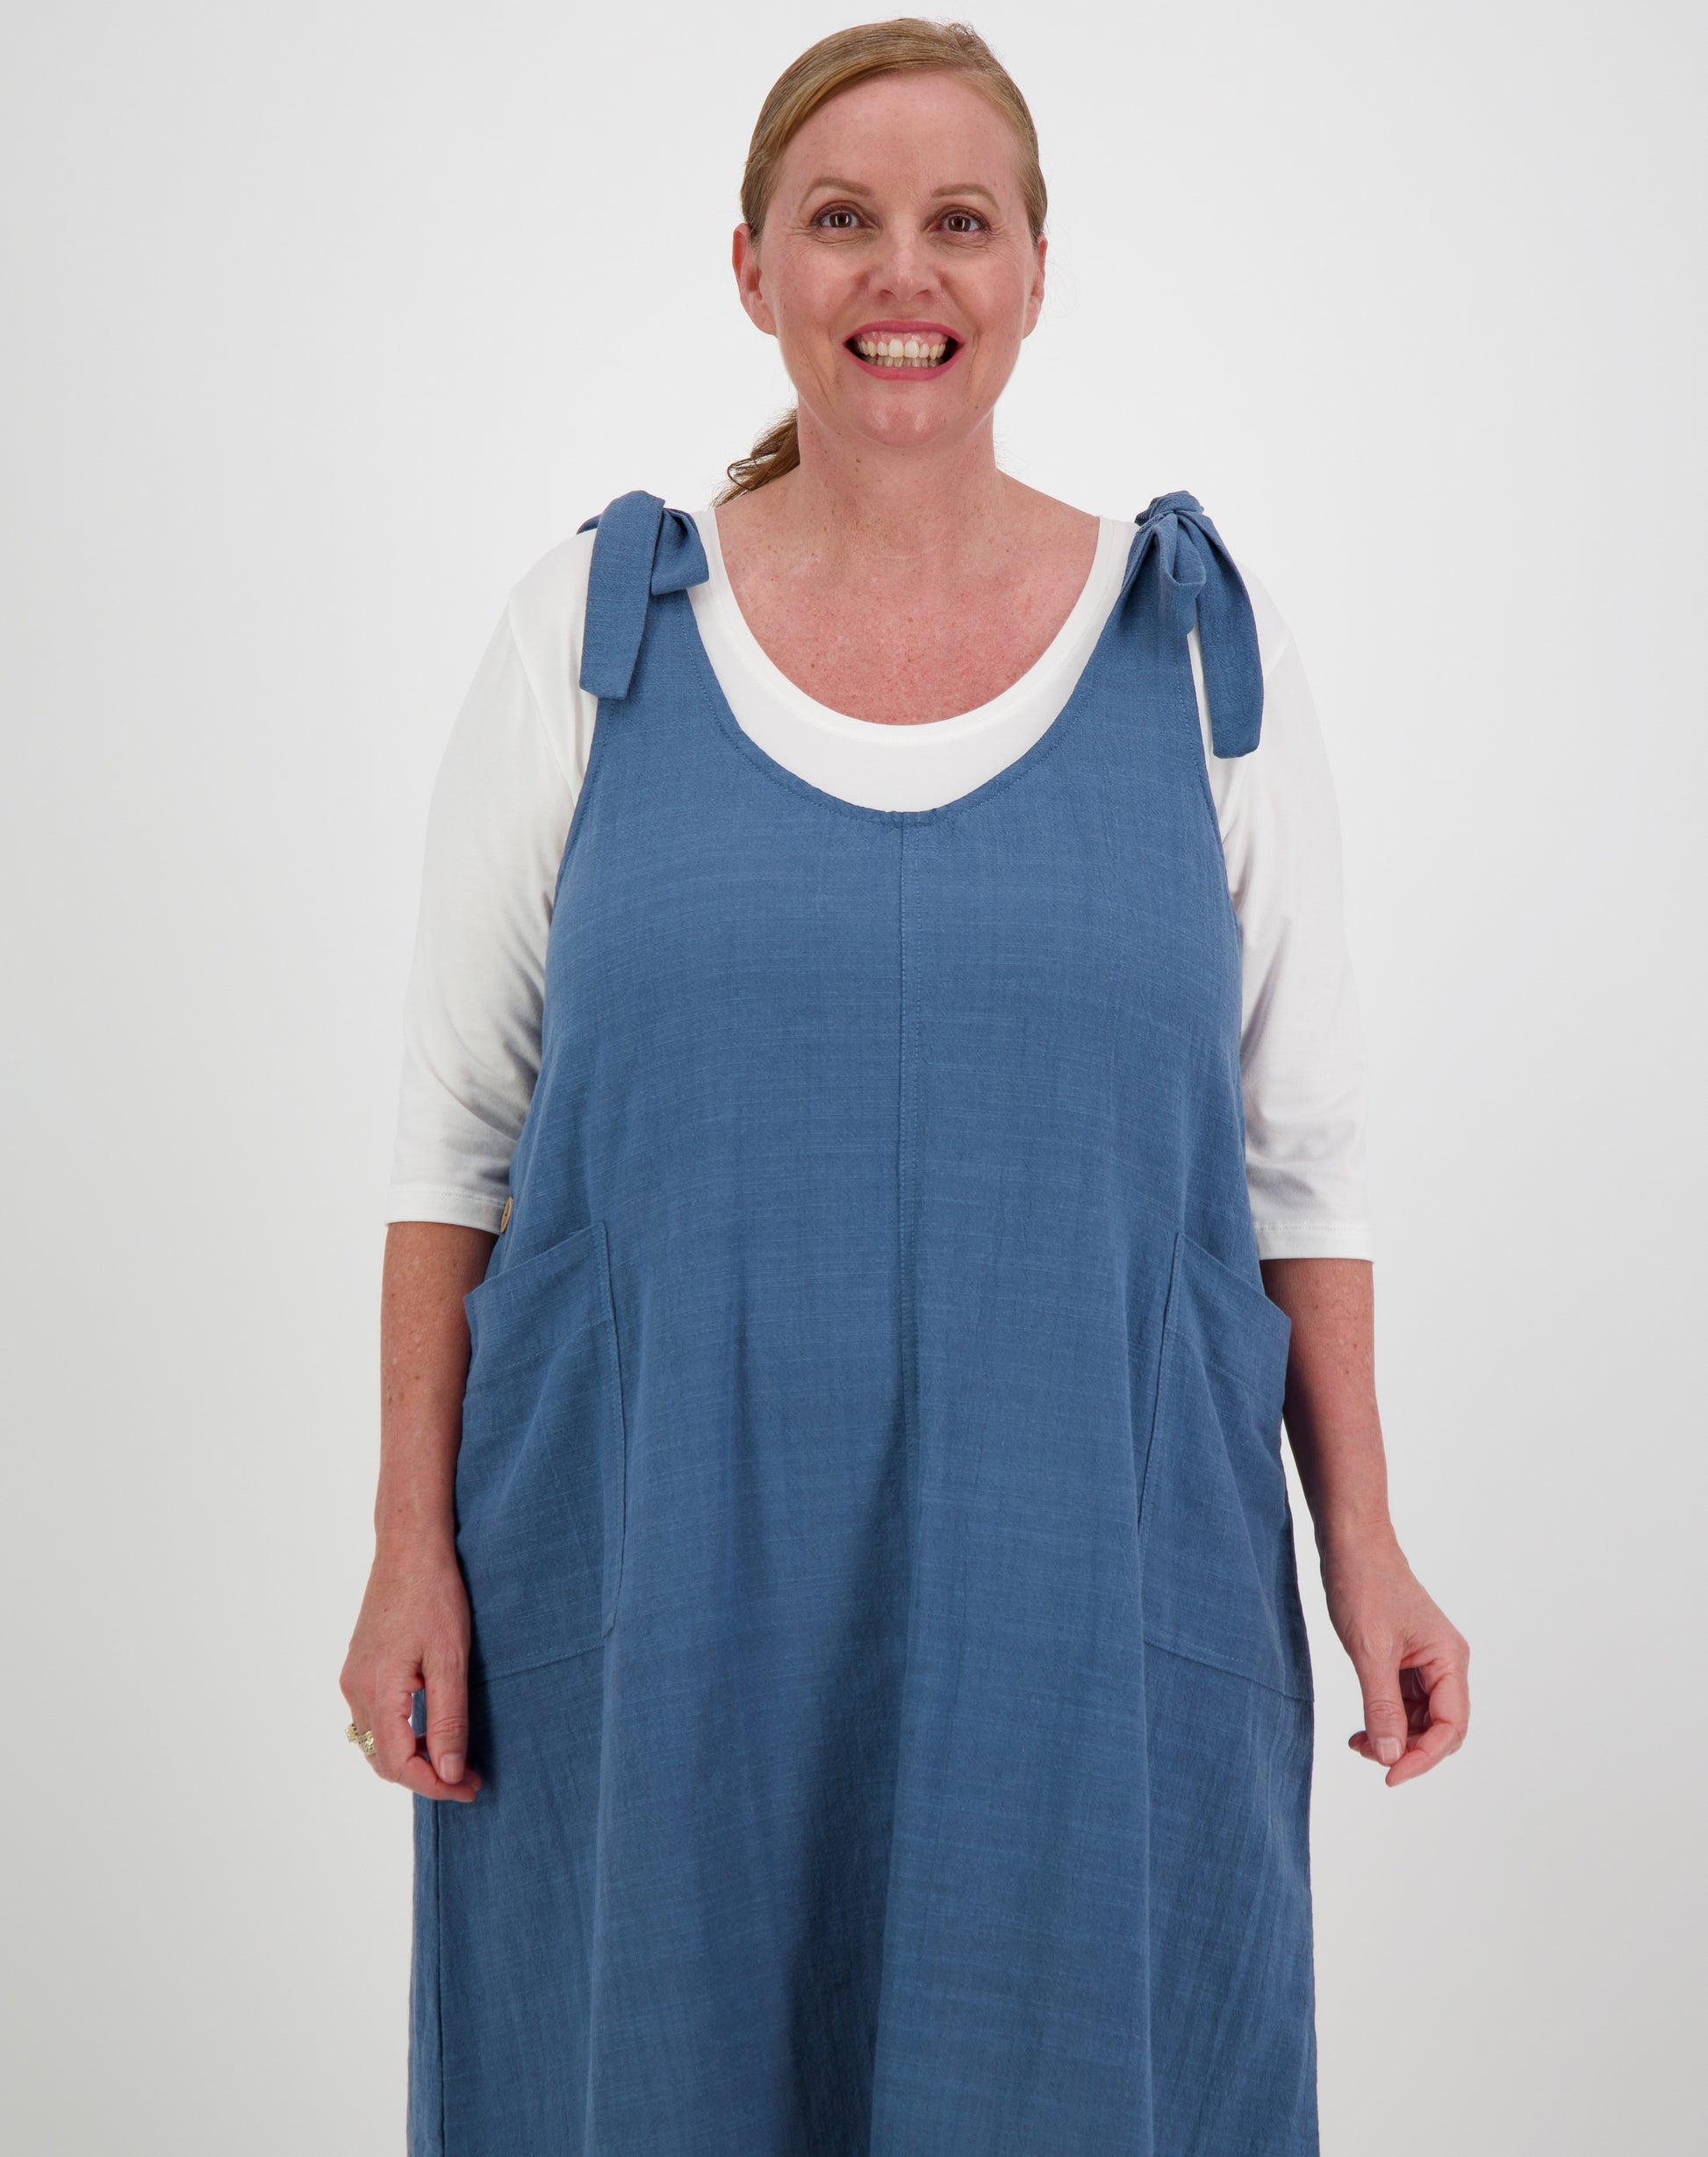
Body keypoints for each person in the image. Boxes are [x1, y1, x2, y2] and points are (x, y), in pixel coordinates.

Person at [341, 18, 1469, 2152]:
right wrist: (410, 1550)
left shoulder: (1198, 655)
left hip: (1090, 1584)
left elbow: (1296, 1166)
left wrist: (1372, 1548)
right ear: (750, 266)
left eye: (959, 221)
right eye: (840, 219)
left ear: (1036, 272)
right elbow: (455, 1141)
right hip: (650, 1564)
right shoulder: (591, 636)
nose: (901, 274)